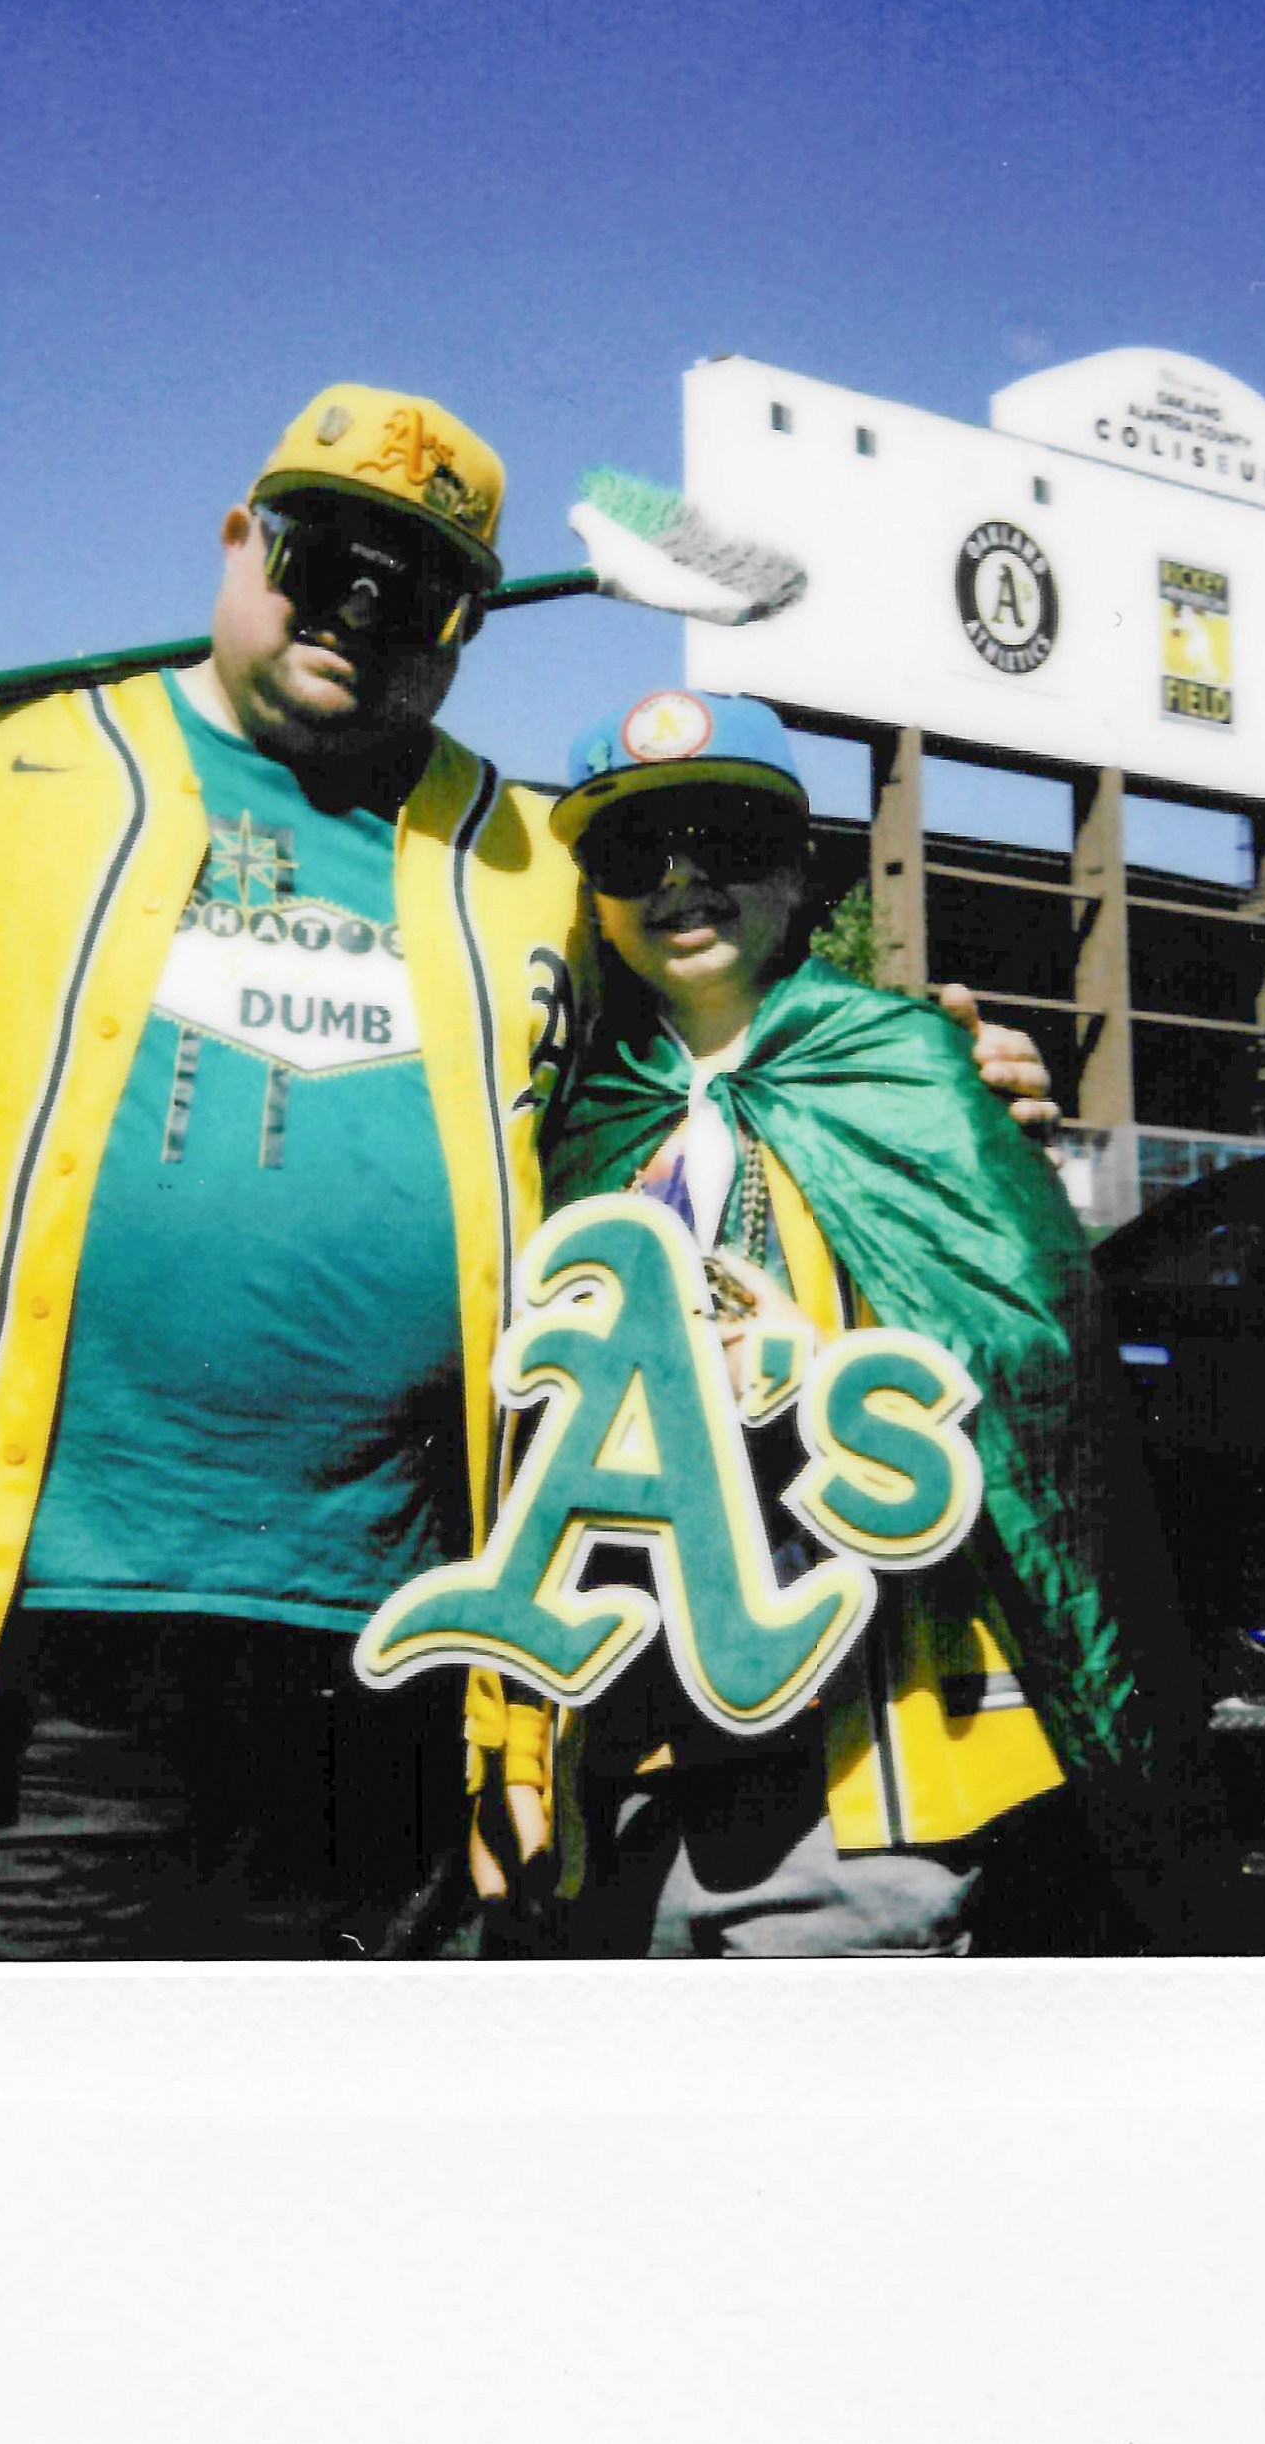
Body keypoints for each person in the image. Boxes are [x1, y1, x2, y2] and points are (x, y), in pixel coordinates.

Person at [0, 385, 1056, 1961]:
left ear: (469, 622)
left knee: (322, 2154)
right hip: (55, 1648)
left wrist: (929, 1084)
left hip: (410, 1647)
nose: (352, 607)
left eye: (414, 588)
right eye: (317, 554)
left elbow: (721, 1047)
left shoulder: (534, 853)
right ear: (233, 541)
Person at [475, 688, 1209, 1957]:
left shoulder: (912, 1068)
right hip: (636, 1757)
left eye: (726, 838)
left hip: (871, 1763)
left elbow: (1039, 1378)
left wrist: (813, 1380)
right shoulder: (574, 1124)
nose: (681, 879)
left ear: (799, 865)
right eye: (630, 851)